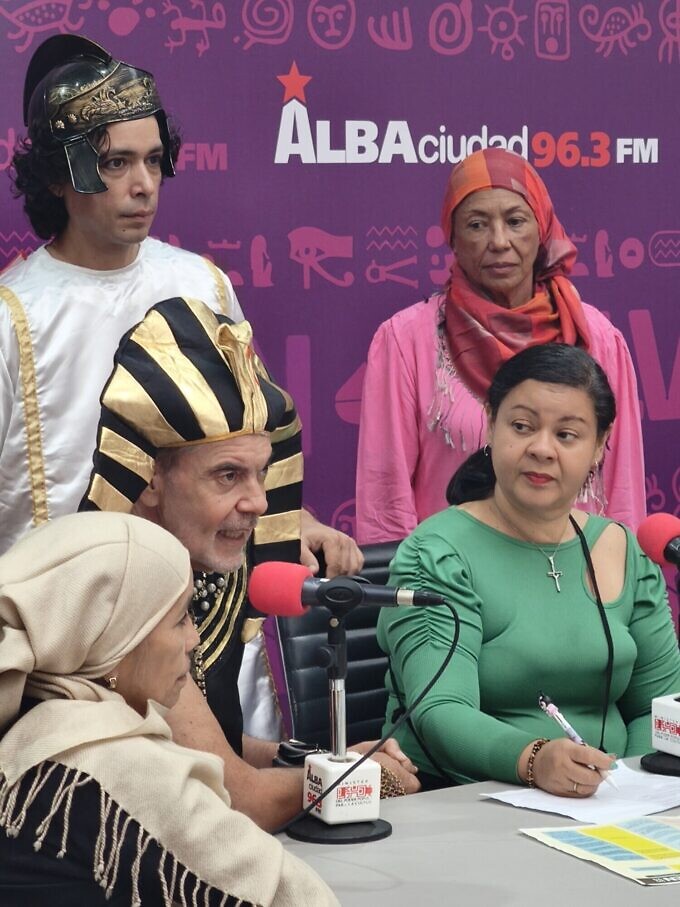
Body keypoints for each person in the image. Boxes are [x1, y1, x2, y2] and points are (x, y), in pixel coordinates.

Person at [0, 34, 361, 739]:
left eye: (153, 159)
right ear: (58, 175)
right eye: (115, 163)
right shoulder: (14, 315)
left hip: (199, 629)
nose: (143, 184)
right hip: (65, 644)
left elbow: (246, 434)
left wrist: (296, 519)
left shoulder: (201, 283)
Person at [80, 296, 419, 829]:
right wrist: (367, 777)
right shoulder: (121, 597)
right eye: (228, 475)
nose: (259, 502)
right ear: (149, 477)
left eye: (261, 473)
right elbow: (237, 797)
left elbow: (211, 749)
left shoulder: (206, 577)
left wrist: (319, 761)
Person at [376, 343, 680, 797]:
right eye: (522, 427)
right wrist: (534, 760)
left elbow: (657, 709)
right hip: (462, 798)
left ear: (599, 445)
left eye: (567, 435)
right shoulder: (436, 553)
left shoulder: (622, 549)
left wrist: (632, 786)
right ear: (491, 424)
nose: (541, 449)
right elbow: (440, 710)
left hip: (607, 804)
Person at [0, 511, 338, 906]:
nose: (193, 639)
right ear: (116, 642)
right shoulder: (117, 765)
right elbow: (290, 894)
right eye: (180, 620)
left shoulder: (31, 719)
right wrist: (362, 780)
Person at [356, 148, 645, 544]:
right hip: (451, 574)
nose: (499, 241)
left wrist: (621, 572)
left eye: (515, 221)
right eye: (477, 225)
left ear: (542, 228)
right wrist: (408, 578)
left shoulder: (595, 337)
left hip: (574, 570)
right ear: (452, 237)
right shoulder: (406, 340)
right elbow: (385, 499)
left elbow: (622, 489)